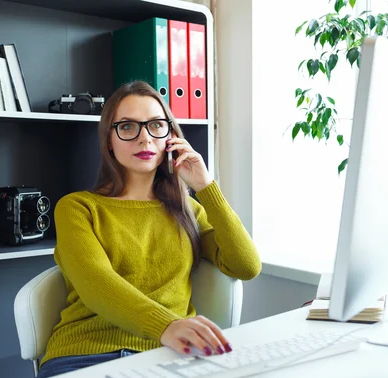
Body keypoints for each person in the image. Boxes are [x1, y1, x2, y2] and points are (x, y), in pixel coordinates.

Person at [37, 81, 262, 378]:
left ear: (170, 136)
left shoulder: (188, 211)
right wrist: (166, 325)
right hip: (87, 354)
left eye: (156, 125)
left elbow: (246, 265)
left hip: (169, 356)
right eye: (128, 127)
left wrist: (205, 187)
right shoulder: (77, 208)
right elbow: (96, 284)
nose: (145, 139)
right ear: (109, 141)